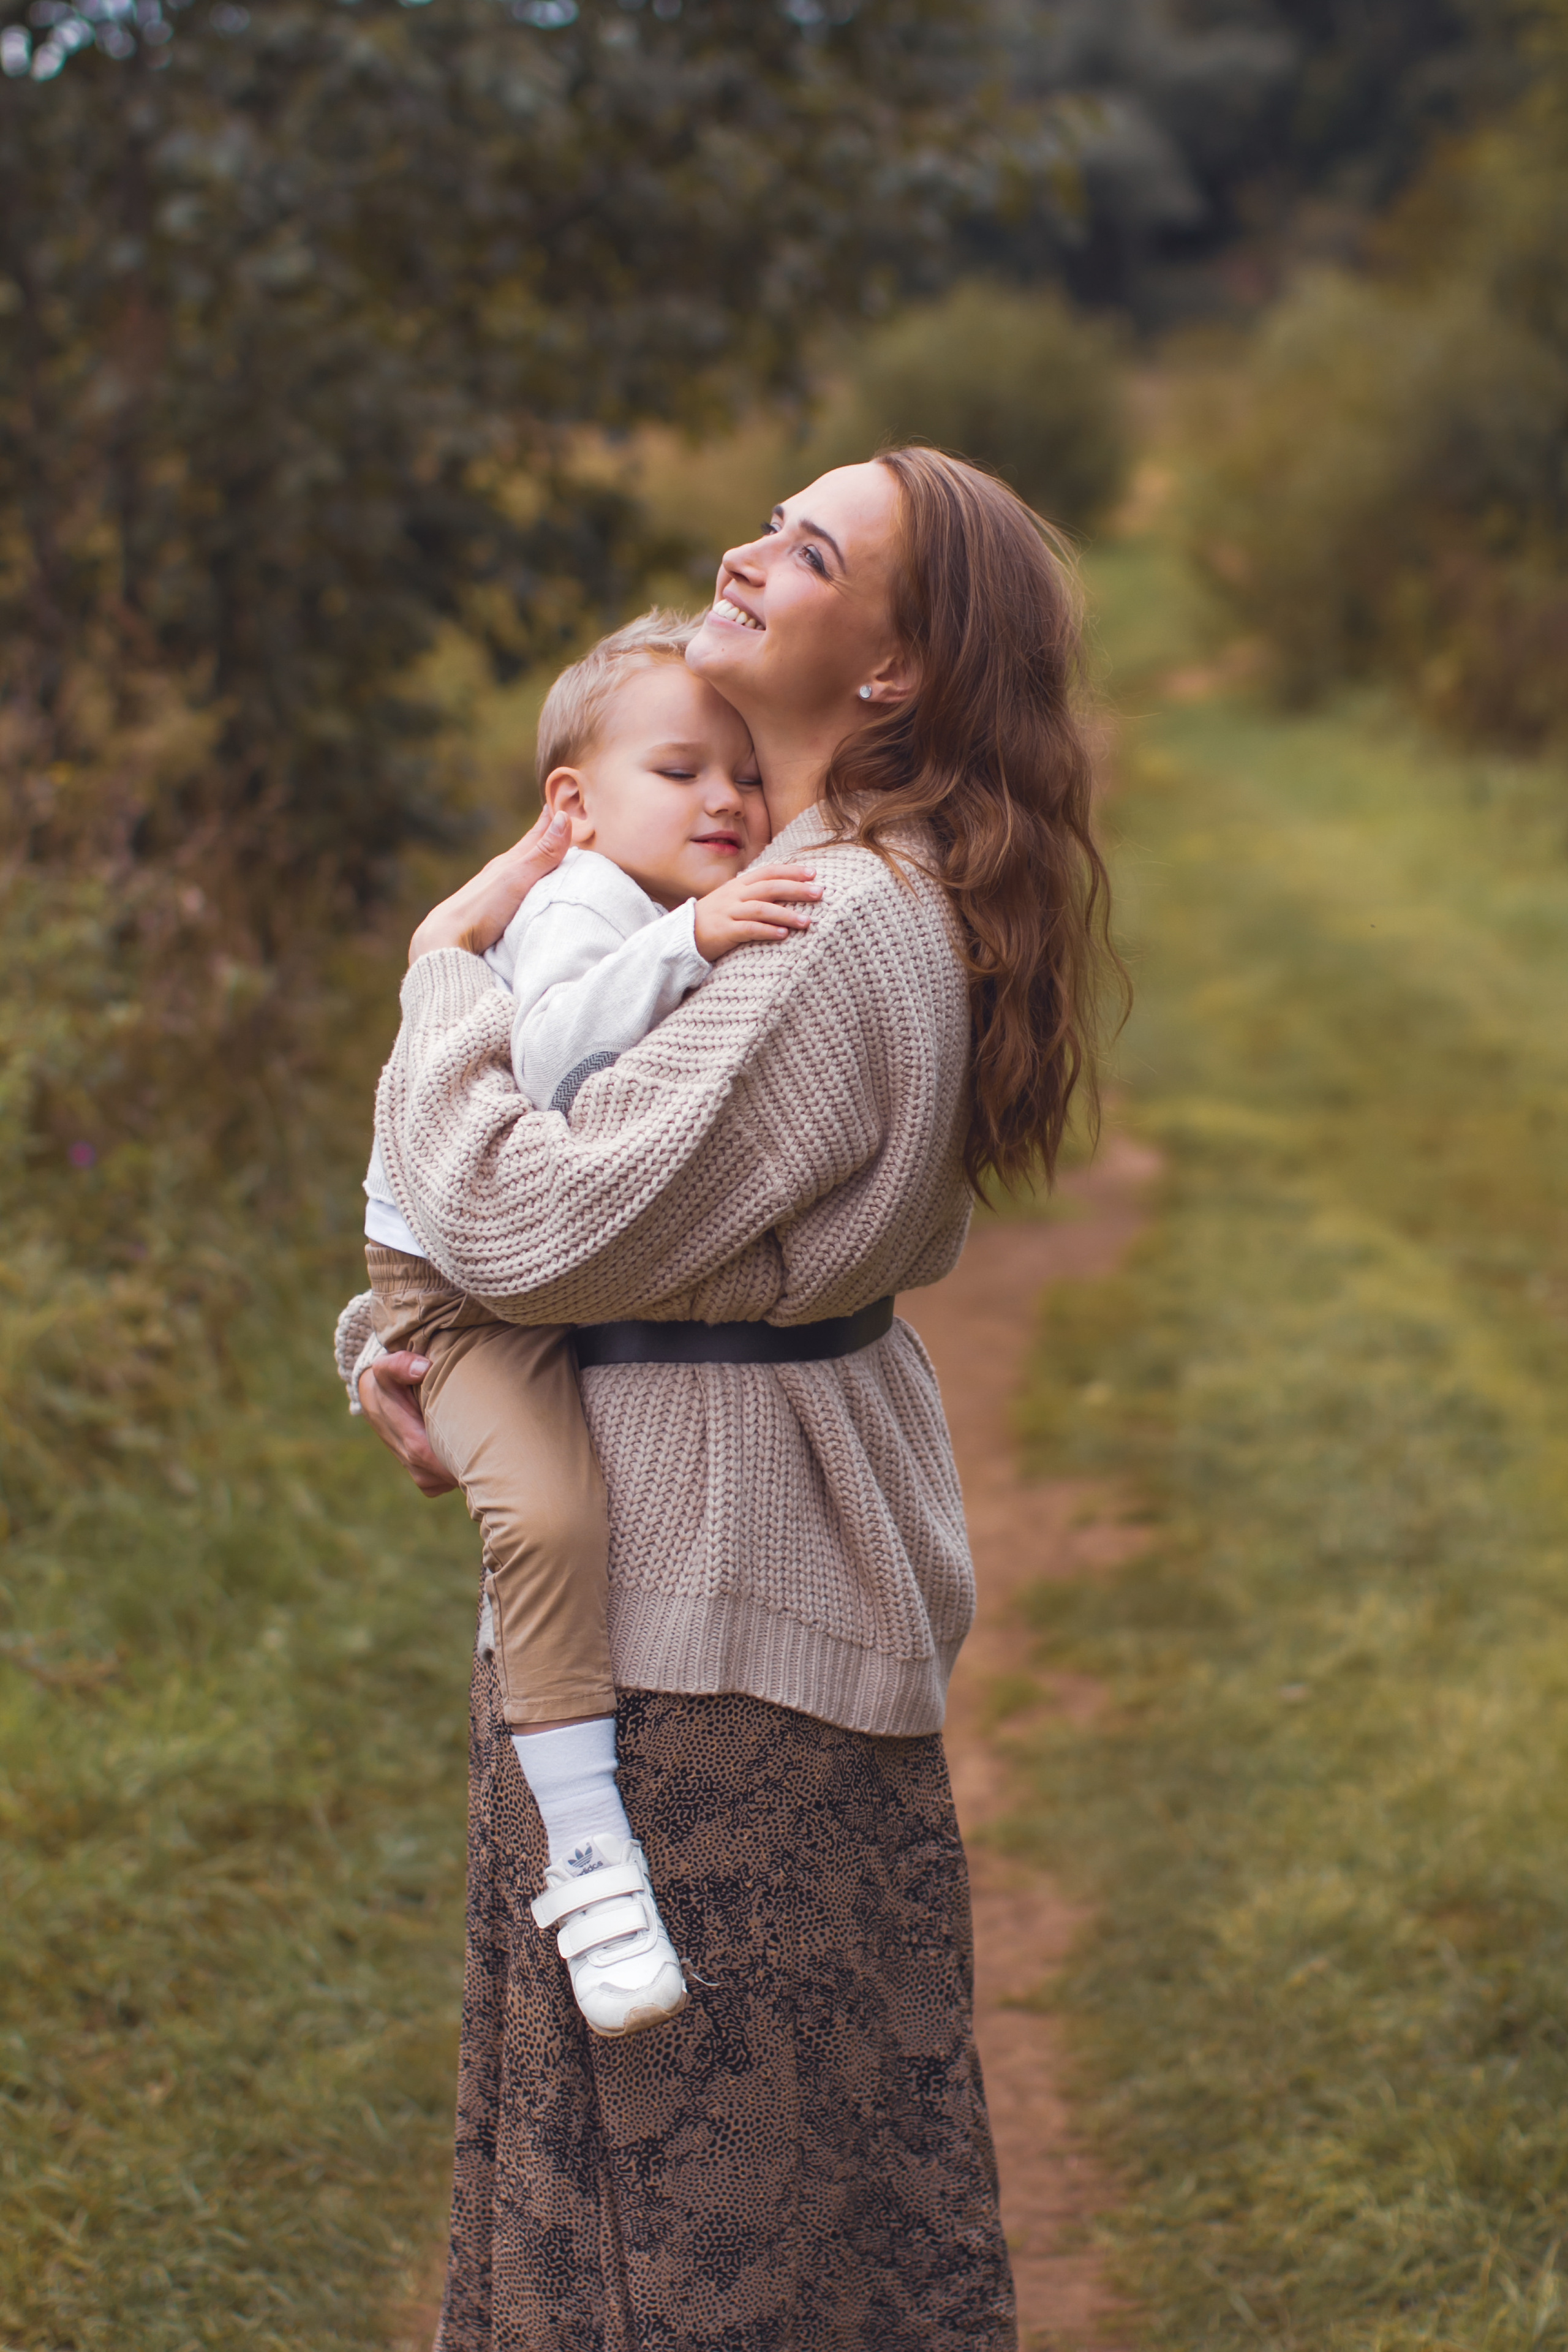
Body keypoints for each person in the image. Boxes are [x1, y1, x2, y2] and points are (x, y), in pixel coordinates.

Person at [353, 447, 1118, 2350]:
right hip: (710, 1573)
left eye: (808, 546)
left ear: (893, 672)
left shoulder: (839, 923)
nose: (743, 553)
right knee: (737, 2178)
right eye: (767, 522)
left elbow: (533, 1210)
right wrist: (398, 1336)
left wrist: (436, 977)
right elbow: (597, 1226)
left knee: (694, 2211)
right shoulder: (775, 878)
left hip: (704, 1634)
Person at [343, 611, 820, 2040]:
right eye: (682, 772)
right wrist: (687, 936)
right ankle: (591, 1860)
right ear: (574, 803)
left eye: (747, 775)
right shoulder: (576, 910)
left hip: (528, 1275)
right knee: (545, 1521)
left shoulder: (649, 899)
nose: (727, 803)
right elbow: (535, 1060)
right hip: (465, 1299)